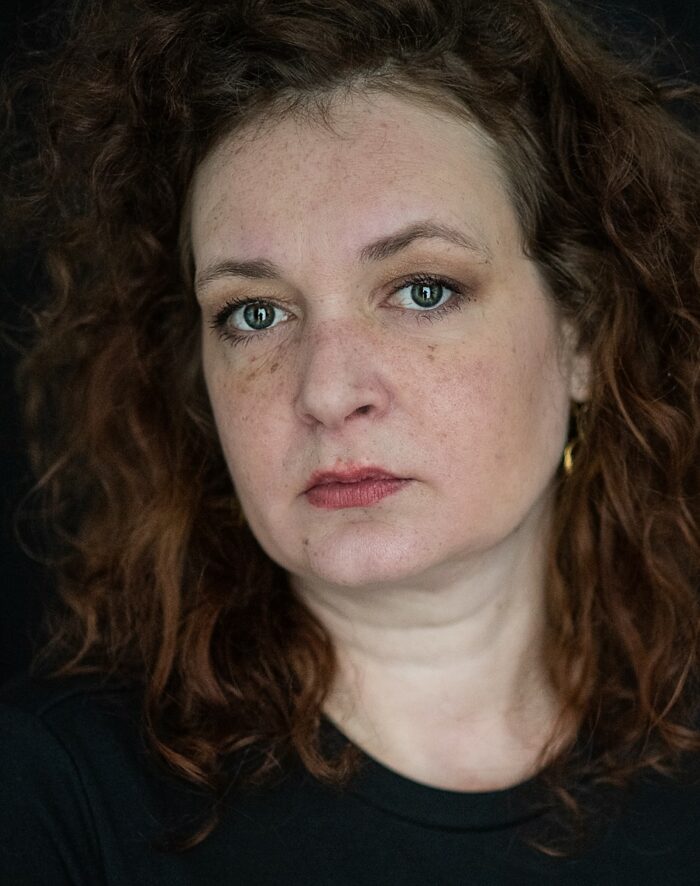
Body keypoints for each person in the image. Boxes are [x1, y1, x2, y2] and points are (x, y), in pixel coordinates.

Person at [0, 0, 698, 882]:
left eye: (422, 290)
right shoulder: (54, 798)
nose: (327, 392)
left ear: (583, 337)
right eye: (256, 313)